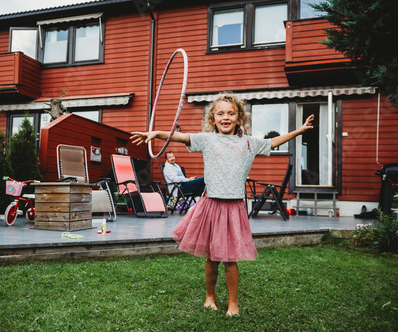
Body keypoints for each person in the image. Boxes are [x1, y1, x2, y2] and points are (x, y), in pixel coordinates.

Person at [130, 92, 314, 317]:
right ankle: (210, 297)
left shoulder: (249, 143)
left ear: (239, 118)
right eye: (220, 113)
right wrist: (156, 133)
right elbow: (181, 137)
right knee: (212, 256)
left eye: (231, 113)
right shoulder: (207, 139)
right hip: (211, 206)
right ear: (213, 118)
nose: (225, 117)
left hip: (234, 207)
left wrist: (300, 131)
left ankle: (233, 303)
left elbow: (273, 142)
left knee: (230, 258)